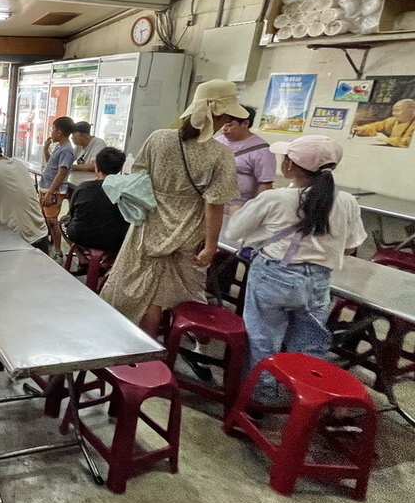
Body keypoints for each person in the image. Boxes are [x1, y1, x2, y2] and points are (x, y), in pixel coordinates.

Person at [100, 79, 243, 338]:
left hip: (150, 224)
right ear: (218, 115)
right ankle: (179, 343)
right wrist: (211, 245)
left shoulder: (159, 138)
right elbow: (215, 203)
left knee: (140, 288)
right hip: (189, 230)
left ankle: (135, 346)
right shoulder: (221, 154)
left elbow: (139, 174)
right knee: (173, 292)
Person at [226, 136, 366, 399]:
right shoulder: (347, 201)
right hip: (319, 282)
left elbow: (235, 231)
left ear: (290, 165)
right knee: (308, 345)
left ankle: (259, 400)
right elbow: (351, 245)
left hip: (273, 276)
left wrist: (236, 209)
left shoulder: (275, 198)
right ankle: (300, 399)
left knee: (262, 340)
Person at [63, 146, 131, 262]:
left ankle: (82, 258)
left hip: (83, 237)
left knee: (63, 221)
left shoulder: (84, 188)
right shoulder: (127, 190)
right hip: (118, 239)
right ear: (120, 169)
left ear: (96, 167)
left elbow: (73, 213)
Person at [217, 105, 275, 205]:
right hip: (213, 203)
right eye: (222, 125)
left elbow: (265, 184)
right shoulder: (216, 142)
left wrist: (255, 209)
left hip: (239, 206)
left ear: (245, 123)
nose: (224, 129)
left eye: (229, 125)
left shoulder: (262, 150)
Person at [40, 116, 77, 258]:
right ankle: (48, 244)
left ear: (59, 132)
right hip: (47, 188)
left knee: (52, 220)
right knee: (45, 217)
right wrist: (45, 149)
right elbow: (52, 163)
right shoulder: (60, 147)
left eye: (53, 129)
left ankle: (57, 249)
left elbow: (61, 173)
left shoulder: (67, 150)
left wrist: (50, 193)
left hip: (54, 191)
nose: (51, 131)